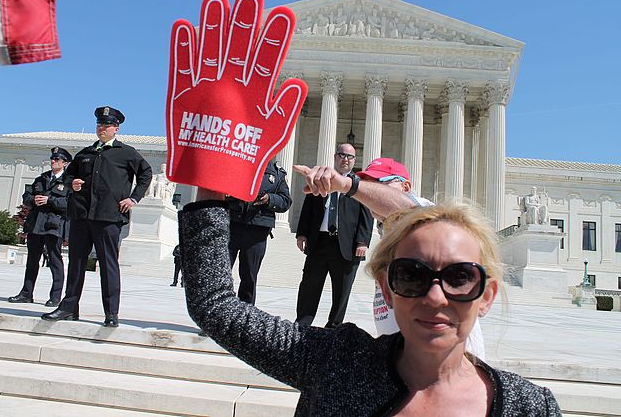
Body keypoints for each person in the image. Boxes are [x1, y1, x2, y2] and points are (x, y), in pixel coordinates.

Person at [178, 191, 561, 415]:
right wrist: (214, 168)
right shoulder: (334, 363)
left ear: (487, 296)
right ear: (387, 288)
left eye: (460, 277)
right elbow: (215, 305)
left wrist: (351, 183)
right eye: (411, 275)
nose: (435, 297)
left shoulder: (531, 408)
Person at [356, 158, 486, 359]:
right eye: (369, 185)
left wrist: (349, 186)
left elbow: (406, 209)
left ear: (406, 187)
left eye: (380, 184)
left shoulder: (423, 216)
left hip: (451, 361)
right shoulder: (386, 228)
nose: (371, 191)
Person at [42, 106, 152, 327]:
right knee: (76, 263)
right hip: (82, 215)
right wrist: (70, 183)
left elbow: (146, 173)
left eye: (107, 125)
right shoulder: (85, 154)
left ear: (116, 128)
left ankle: (111, 313)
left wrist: (134, 198)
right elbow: (68, 176)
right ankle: (69, 307)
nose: (102, 128)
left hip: (109, 216)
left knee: (109, 264)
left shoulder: (126, 152)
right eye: (99, 124)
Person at [295, 144, 373, 328]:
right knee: (309, 286)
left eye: (350, 156)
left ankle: (334, 327)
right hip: (319, 242)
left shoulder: (359, 185)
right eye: (342, 155)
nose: (345, 159)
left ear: (354, 160)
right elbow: (308, 209)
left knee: (342, 291)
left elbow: (366, 216)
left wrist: (362, 241)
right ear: (335, 157)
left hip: (347, 245)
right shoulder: (320, 180)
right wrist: (302, 234)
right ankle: (302, 324)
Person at [8, 147, 72, 307]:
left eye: (57, 159)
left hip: (53, 225)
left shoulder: (68, 182)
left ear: (64, 163)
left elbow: (70, 204)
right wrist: (33, 200)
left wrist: (50, 200)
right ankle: (26, 293)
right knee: (32, 260)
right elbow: (26, 196)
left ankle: (56, 297)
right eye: (52, 158)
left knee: (55, 261)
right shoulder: (41, 179)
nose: (53, 161)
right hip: (36, 224)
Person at [226, 160, 291, 304]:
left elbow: (286, 201)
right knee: (222, 272)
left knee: (250, 276)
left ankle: (246, 314)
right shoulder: (237, 161)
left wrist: (269, 199)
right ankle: (217, 314)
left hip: (257, 229)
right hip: (232, 223)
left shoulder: (277, 171)